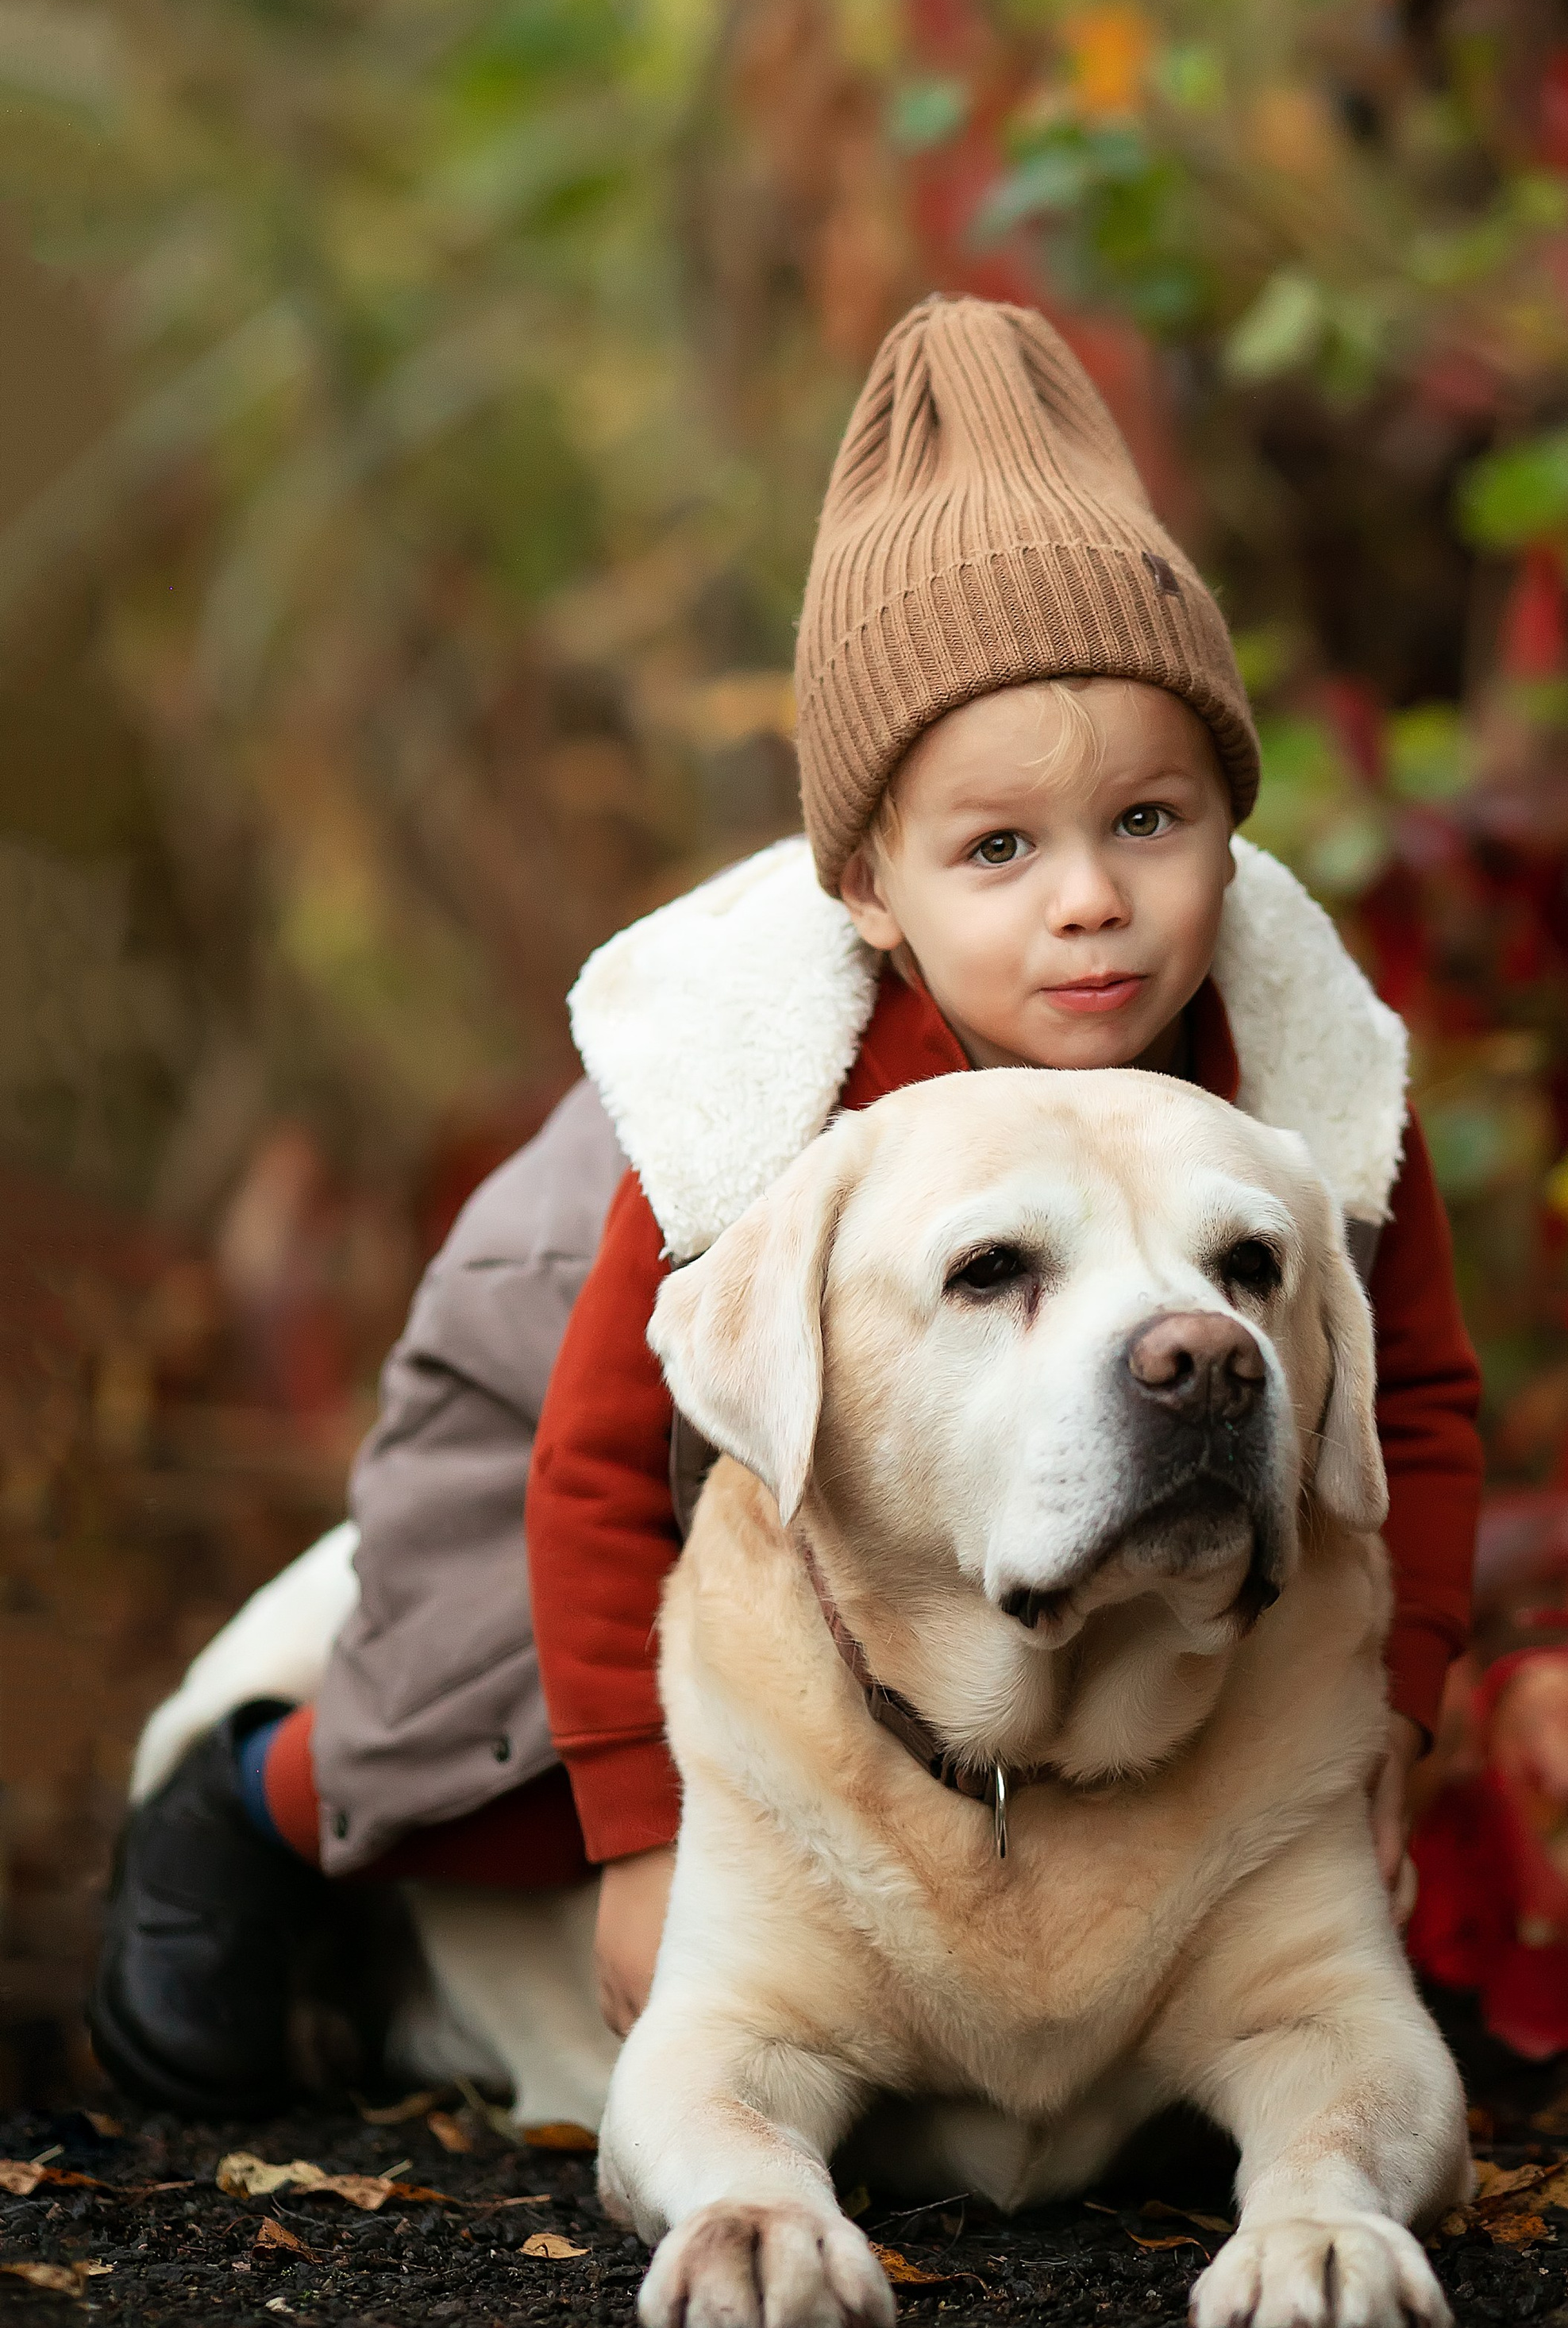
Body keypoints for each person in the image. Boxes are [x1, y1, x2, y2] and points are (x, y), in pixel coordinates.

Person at [91, 295, 1481, 2117]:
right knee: (492, 1747)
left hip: (919, 1539)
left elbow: (1421, 1404)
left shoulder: (1302, 1079)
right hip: (596, 1459)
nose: (1090, 904)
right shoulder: (743, 1103)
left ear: (1229, 821)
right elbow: (591, 1473)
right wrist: (650, 1839)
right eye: (1000, 848)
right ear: (871, 891)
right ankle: (253, 1808)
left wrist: (1393, 1713)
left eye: (1150, 822)